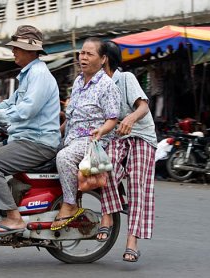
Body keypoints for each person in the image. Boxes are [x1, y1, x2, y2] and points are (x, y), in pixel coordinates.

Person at [0, 25, 61, 236]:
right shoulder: (27, 75)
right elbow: (9, 104)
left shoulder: (39, 75)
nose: (13, 51)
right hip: (21, 139)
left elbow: (26, 110)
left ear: (31, 51)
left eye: (17, 48)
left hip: (38, 142)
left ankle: (14, 217)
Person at [50, 37, 121, 231]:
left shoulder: (107, 86)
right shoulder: (79, 81)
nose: (83, 57)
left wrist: (102, 130)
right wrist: (55, 132)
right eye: (82, 53)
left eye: (89, 54)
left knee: (64, 158)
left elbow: (113, 119)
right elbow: (73, 117)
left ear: (103, 59)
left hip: (92, 140)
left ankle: (70, 204)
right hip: (71, 137)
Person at [98, 41, 157, 262]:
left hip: (142, 135)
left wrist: (131, 118)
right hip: (117, 136)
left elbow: (143, 106)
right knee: (104, 168)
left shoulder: (126, 79)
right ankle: (109, 214)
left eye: (91, 54)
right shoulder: (97, 84)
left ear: (104, 59)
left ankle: (132, 241)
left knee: (137, 183)